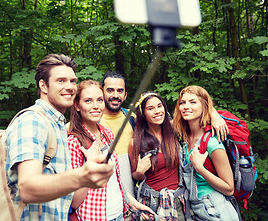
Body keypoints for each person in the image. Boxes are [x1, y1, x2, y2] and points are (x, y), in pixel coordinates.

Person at [5, 54, 114, 220]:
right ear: (44, 86)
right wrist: (82, 175)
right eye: (61, 81)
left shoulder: (58, 126)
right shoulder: (33, 121)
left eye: (72, 81)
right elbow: (27, 188)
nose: (70, 86)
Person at [129, 91, 228, 220]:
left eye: (160, 106)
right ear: (143, 113)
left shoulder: (175, 130)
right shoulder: (136, 141)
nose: (157, 111)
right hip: (152, 203)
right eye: (150, 108)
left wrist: (214, 114)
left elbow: (194, 108)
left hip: (180, 201)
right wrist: (140, 172)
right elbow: (135, 176)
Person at [67, 79, 154, 221]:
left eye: (99, 100)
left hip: (119, 213)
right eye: (88, 101)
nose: (96, 106)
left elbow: (115, 180)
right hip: (95, 217)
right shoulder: (74, 142)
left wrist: (133, 203)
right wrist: (90, 166)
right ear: (77, 105)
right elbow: (74, 202)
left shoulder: (107, 133)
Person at [172, 85, 240, 220]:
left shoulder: (211, 142)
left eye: (193, 102)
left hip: (217, 210)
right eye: (182, 103)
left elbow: (229, 188)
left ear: (204, 106)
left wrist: (199, 168)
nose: (186, 106)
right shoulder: (185, 138)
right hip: (199, 209)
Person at [100, 72, 136, 197]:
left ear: (125, 95)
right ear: (102, 92)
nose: (115, 95)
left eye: (120, 91)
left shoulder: (132, 118)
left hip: (132, 198)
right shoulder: (91, 121)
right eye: (110, 90)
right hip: (104, 201)